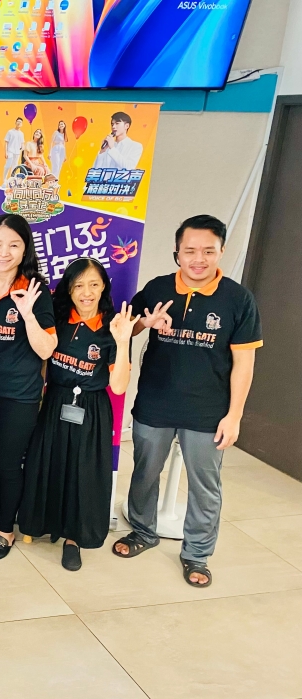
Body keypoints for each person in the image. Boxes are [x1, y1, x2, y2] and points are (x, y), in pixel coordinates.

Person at [114, 215, 262, 588]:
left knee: (205, 486)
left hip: (208, 412)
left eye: (208, 251)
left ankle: (197, 553)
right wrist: (146, 324)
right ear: (177, 252)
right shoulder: (158, 287)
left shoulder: (238, 299)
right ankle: (143, 531)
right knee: (145, 474)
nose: (198, 259)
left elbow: (244, 363)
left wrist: (234, 416)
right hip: (155, 403)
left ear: (221, 251)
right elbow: (126, 327)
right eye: (190, 250)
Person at [18, 259, 137, 570]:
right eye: (79, 285)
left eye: (94, 284)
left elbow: (119, 386)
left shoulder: (114, 327)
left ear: (104, 287)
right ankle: (41, 524)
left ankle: (74, 538)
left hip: (92, 409)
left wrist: (123, 341)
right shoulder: (57, 319)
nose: (87, 292)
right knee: (47, 464)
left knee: (83, 474)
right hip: (54, 402)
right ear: (68, 290)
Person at [0, 214, 57, 561]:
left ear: (25, 250)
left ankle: (6, 529)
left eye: (13, 245)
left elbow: (46, 350)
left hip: (20, 395)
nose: (4, 252)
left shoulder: (35, 290)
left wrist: (27, 313)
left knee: (7, 463)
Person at [4, 117, 26, 182]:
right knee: (8, 165)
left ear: (22, 124)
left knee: (14, 166)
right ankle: (4, 178)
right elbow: (6, 142)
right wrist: (6, 152)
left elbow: (22, 143)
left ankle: (12, 180)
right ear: (15, 122)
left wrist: (23, 150)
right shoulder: (10, 132)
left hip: (17, 152)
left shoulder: (21, 134)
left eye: (20, 122)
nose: (19, 123)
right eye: (18, 121)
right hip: (10, 151)